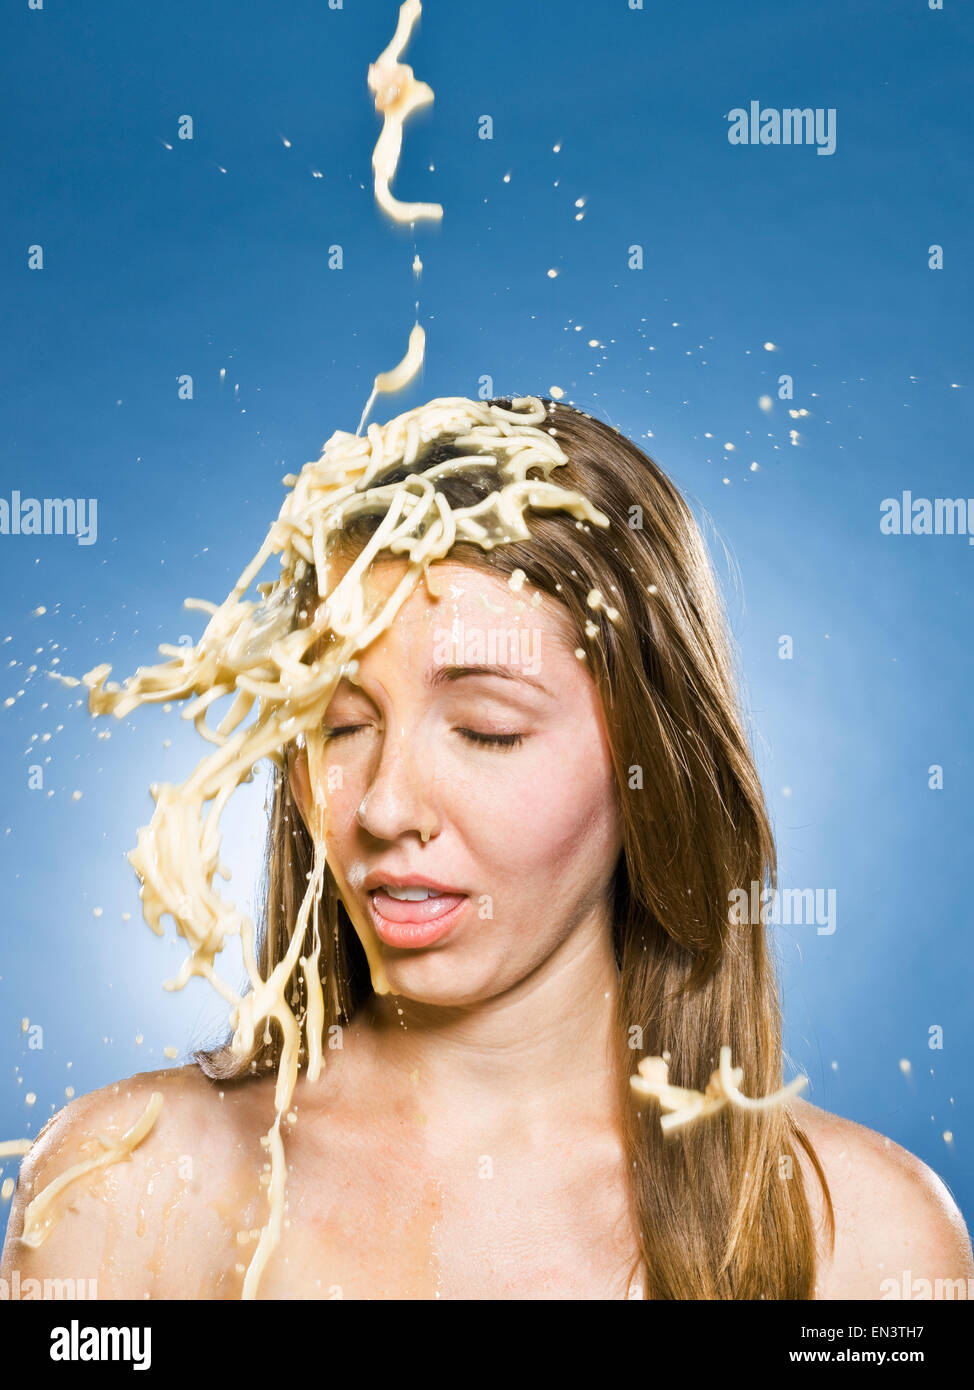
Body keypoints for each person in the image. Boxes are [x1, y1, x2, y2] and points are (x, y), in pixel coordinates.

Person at [2, 398, 971, 1300]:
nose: (385, 806)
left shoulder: (866, 1243)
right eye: (341, 725)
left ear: (651, 762)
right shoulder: (124, 1189)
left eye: (487, 731)